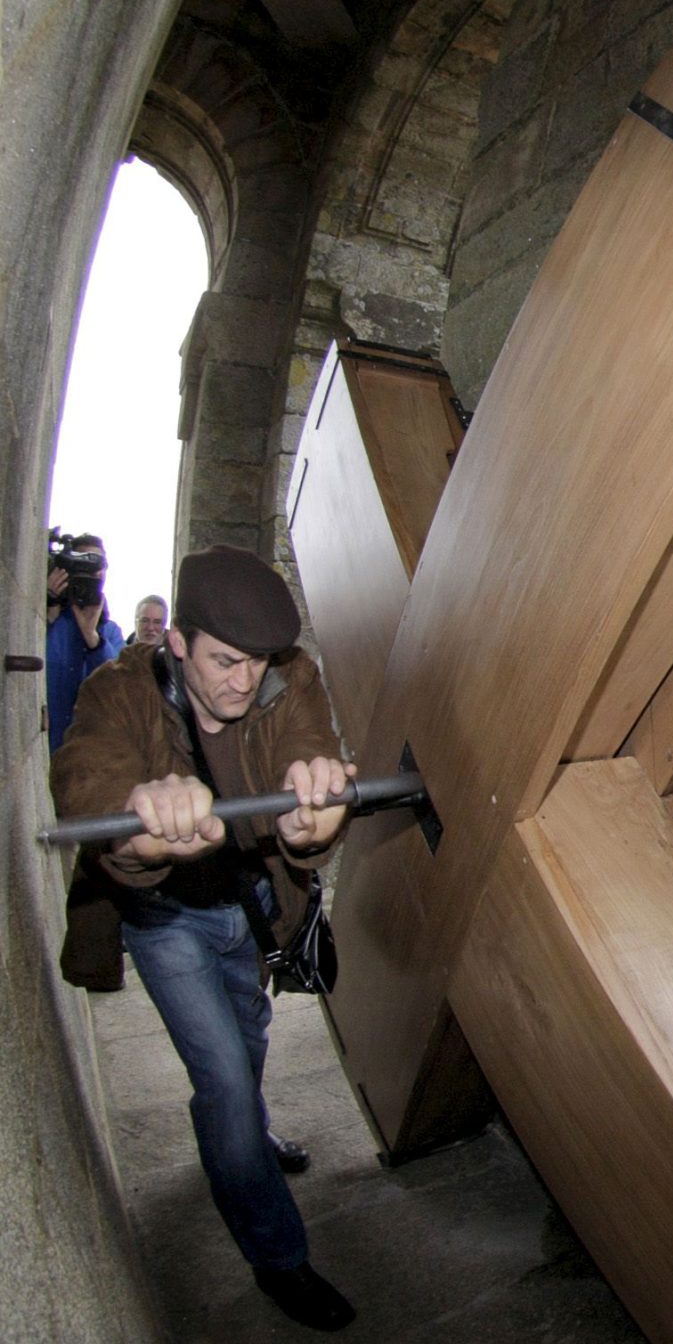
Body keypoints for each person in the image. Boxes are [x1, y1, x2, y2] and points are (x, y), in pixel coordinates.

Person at [52, 545, 358, 1332]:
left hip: (253, 908)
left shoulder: (291, 677)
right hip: (167, 924)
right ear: (179, 641)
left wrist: (312, 814)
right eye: (224, 660)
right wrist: (142, 815)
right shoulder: (117, 691)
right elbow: (85, 780)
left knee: (250, 1040)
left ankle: (245, 1140)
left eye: (256, 663)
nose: (242, 681)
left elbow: (304, 749)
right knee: (222, 1075)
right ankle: (279, 1258)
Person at [45, 532, 124, 749]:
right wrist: (49, 610)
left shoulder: (111, 632)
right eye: (82, 563)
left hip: (87, 757)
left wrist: (93, 638)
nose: (91, 572)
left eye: (96, 565)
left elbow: (119, 685)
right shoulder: (47, 619)